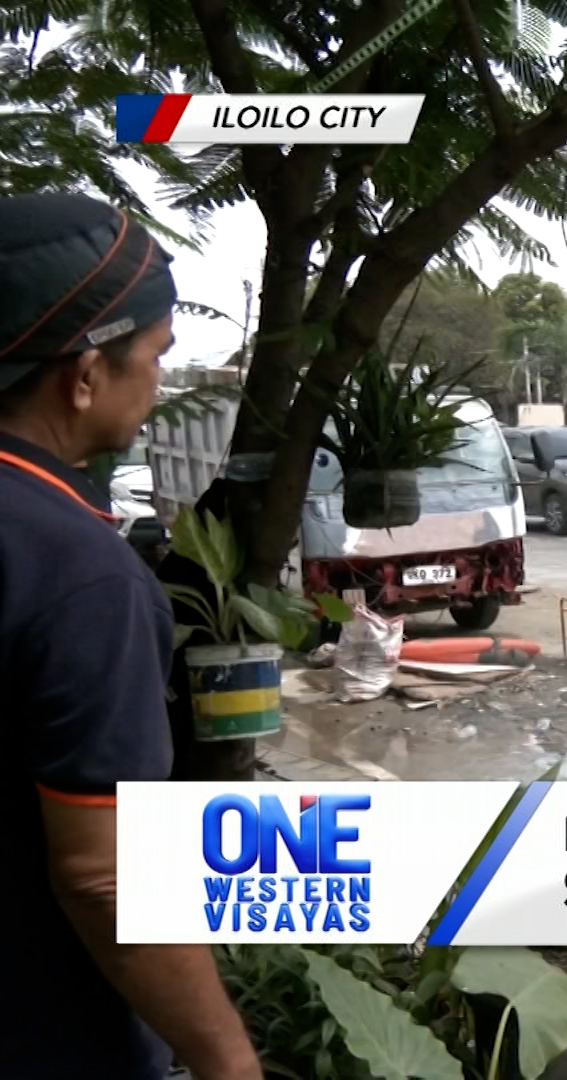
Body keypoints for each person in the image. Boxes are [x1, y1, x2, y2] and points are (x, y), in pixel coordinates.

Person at [0, 194, 263, 1080]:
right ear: (82, 376)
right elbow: (102, 877)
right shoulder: (77, 575)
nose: (159, 381)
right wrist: (229, 1062)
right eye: (151, 356)